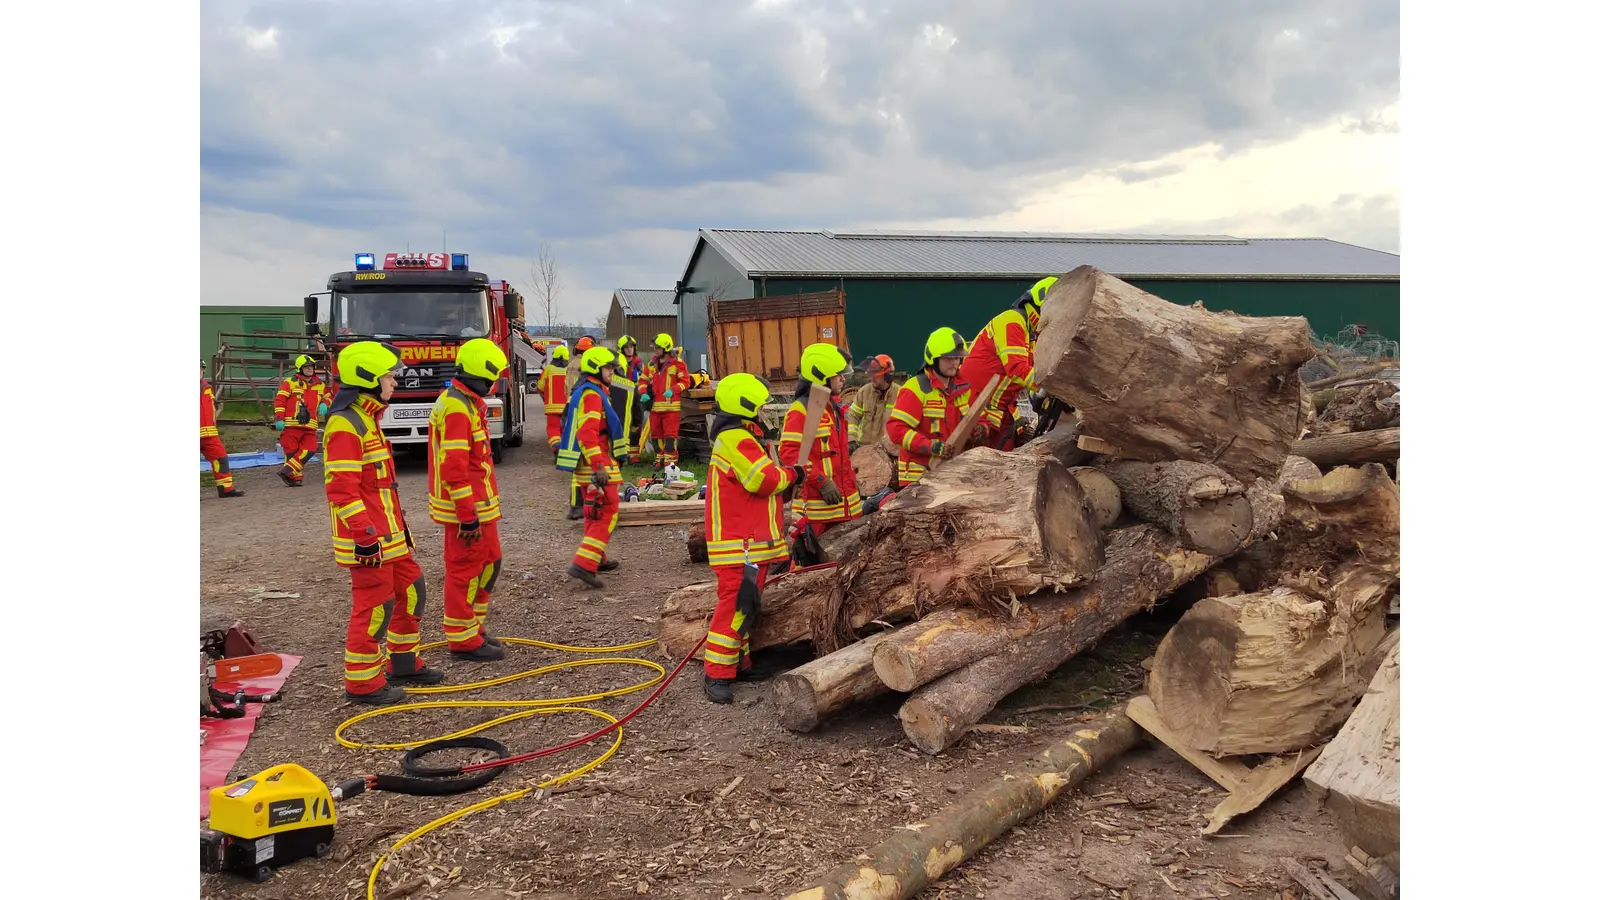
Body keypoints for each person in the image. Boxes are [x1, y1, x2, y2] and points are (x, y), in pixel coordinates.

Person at [322, 341, 445, 705]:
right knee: (375, 607)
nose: (394, 381)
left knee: (411, 591)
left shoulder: (368, 417)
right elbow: (342, 491)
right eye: (389, 375)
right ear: (367, 378)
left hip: (390, 538)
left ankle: (404, 663)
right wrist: (364, 536)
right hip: (369, 542)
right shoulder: (346, 424)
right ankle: (362, 683)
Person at [701, 373, 803, 704]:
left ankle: (738, 664)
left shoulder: (743, 437)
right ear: (745, 406)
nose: (764, 412)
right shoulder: (737, 439)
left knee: (746, 605)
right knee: (735, 606)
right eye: (760, 406)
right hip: (739, 544)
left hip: (747, 543)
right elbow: (763, 479)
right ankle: (715, 672)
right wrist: (794, 474)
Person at [427, 338, 508, 662]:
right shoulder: (458, 408)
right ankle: (462, 639)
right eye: (493, 376)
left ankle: (472, 626)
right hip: (466, 510)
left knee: (490, 562)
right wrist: (467, 514)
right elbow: (454, 468)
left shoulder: (466, 402)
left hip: (478, 505)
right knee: (466, 570)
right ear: (481, 373)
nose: (494, 382)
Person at [557, 347, 630, 589]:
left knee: (594, 511)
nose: (612, 371)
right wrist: (599, 465)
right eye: (609, 367)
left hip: (587, 462)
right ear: (596, 368)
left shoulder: (589, 390)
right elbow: (587, 434)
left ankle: (597, 557)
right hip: (595, 462)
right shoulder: (592, 394)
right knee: (609, 511)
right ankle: (584, 563)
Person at [959, 276, 1057, 450]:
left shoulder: (1031, 333)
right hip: (976, 406)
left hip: (997, 409)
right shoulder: (1012, 321)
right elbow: (1017, 370)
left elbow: (1026, 376)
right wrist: (1052, 388)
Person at [779, 343, 863, 542]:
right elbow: (790, 454)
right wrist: (821, 481)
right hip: (816, 509)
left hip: (841, 507)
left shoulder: (832, 407)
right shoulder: (802, 410)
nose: (843, 379)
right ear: (821, 377)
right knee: (808, 566)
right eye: (838, 375)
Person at [886, 328, 973, 487]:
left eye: (957, 357)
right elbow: (896, 430)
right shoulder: (916, 388)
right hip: (918, 479)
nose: (954, 362)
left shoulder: (962, 390)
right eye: (948, 358)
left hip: (950, 474)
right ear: (933, 358)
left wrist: (979, 429)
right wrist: (930, 446)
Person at [273, 354, 328, 487]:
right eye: (306, 367)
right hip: (291, 425)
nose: (310, 369)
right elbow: (280, 401)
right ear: (299, 369)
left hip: (310, 426)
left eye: (311, 367)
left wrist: (325, 403)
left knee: (310, 449)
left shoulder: (320, 385)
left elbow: (328, 396)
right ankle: (295, 477)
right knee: (291, 451)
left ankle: (286, 471)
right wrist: (279, 419)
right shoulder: (289, 383)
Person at [640, 334, 689, 471]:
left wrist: (673, 390)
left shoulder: (678, 364)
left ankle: (670, 462)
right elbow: (643, 381)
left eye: (657, 348)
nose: (655, 350)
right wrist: (643, 393)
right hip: (655, 408)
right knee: (655, 436)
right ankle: (659, 459)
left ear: (666, 348)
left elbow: (685, 382)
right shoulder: (651, 364)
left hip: (671, 408)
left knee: (670, 437)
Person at [201, 363, 244, 499]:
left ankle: (225, 488)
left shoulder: (206, 387)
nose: (199, 371)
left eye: (201, 369)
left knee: (221, 458)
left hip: (209, 433)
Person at [846, 354, 901, 452]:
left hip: (888, 452)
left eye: (876, 376)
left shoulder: (900, 395)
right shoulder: (864, 392)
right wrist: (851, 440)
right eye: (871, 375)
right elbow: (853, 416)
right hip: (864, 449)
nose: (872, 379)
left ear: (888, 376)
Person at [613, 335, 647, 463]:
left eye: (631, 346)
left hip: (636, 395)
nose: (629, 349)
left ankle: (634, 455)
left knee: (636, 423)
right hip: (622, 395)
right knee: (622, 422)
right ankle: (622, 453)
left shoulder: (638, 363)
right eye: (626, 347)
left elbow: (644, 378)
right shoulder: (618, 363)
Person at [537, 344, 570, 452]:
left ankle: (556, 448)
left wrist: (545, 398)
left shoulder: (548, 369)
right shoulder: (570, 371)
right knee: (566, 429)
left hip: (552, 408)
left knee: (553, 429)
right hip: (567, 407)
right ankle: (565, 449)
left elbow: (540, 387)